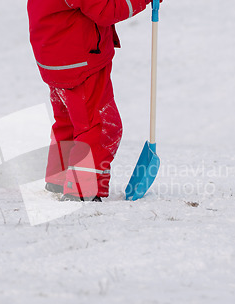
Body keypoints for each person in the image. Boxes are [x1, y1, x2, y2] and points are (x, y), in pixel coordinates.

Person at [27, 0, 156, 202]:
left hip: (55, 58)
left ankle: (59, 178)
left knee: (69, 121)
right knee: (99, 126)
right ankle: (82, 189)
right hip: (79, 62)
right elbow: (106, 10)